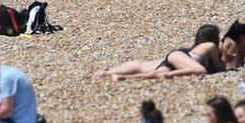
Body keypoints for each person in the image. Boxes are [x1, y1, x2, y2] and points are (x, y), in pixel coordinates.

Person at [95, 24, 224, 81]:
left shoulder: (194, 48)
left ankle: (112, 73)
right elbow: (219, 68)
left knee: (145, 68)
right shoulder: (210, 45)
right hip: (179, 57)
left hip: (179, 56)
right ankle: (107, 72)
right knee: (200, 70)